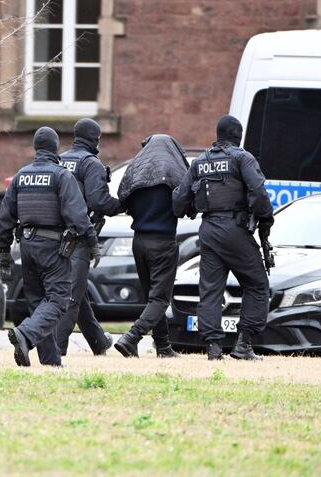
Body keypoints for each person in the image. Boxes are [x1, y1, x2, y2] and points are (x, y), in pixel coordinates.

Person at [0, 127, 99, 367]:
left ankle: (51, 361)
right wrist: (93, 243)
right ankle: (25, 335)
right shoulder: (61, 176)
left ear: (36, 148)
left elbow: (4, 219)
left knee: (38, 301)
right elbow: (78, 216)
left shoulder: (21, 176)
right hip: (52, 247)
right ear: (55, 147)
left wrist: (3, 253)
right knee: (59, 299)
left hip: (27, 247)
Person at [173, 115, 273, 361]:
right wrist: (266, 219)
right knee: (257, 284)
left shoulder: (200, 162)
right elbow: (259, 193)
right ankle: (243, 344)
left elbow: (178, 202)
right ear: (238, 134)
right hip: (235, 229)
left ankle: (214, 349)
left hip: (208, 230)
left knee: (210, 290)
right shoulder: (242, 157)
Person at [114, 134, 189, 358]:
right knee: (159, 299)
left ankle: (163, 346)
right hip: (163, 242)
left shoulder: (136, 172)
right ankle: (132, 337)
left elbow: (122, 199)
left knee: (152, 298)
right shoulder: (176, 173)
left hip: (139, 243)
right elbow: (186, 204)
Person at [55, 118, 119, 356]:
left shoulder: (60, 159)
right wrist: (120, 205)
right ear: (95, 138)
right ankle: (56, 351)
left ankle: (98, 341)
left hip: (56, 235)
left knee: (77, 292)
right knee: (72, 296)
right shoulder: (90, 163)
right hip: (79, 237)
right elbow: (98, 201)